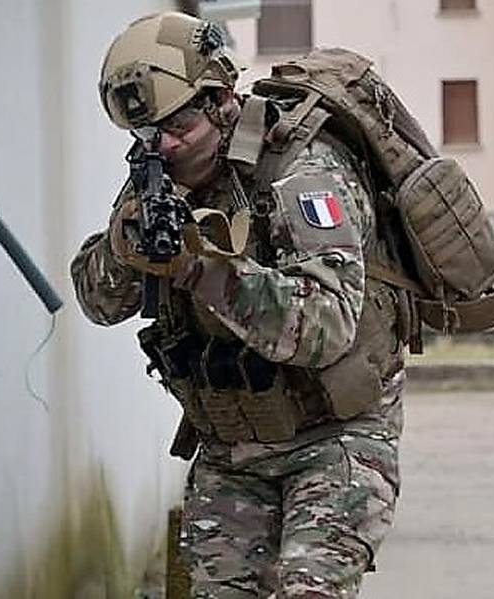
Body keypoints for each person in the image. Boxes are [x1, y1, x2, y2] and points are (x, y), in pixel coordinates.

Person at [71, 12, 409, 598]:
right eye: (146, 134)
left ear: (222, 101)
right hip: (232, 448)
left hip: (335, 436)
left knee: (309, 589)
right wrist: (125, 250)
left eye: (178, 127)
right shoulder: (159, 176)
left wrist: (201, 271)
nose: (163, 146)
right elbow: (98, 303)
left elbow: (326, 326)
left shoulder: (303, 171)